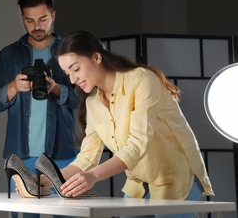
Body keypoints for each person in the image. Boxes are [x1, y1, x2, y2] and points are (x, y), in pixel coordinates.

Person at [51, 30, 214, 218]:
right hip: (137, 185)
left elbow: (136, 145)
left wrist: (93, 176)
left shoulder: (141, 80)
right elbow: (86, 158)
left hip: (174, 181)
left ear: (96, 57)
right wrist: (45, 180)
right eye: (67, 73)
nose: (72, 79)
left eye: (76, 69)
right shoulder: (93, 102)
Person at [0, 0, 79, 218]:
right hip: (20, 156)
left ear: (53, 16)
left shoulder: (70, 51)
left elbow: (82, 101)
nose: (36, 26)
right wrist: (13, 87)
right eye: (29, 21)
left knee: (67, 214)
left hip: (63, 153)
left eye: (43, 19)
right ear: (22, 19)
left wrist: (56, 88)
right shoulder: (8, 55)